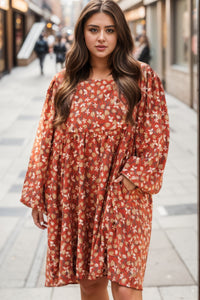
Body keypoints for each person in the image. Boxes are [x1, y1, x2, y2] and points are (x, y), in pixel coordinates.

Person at [20, 1, 169, 299]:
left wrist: (131, 179)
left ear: (120, 34)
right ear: (82, 34)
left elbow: (157, 136)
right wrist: (38, 193)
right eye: (94, 30)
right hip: (79, 193)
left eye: (109, 30)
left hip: (124, 195)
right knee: (90, 286)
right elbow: (44, 140)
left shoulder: (141, 78)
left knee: (126, 289)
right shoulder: (63, 83)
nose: (101, 38)